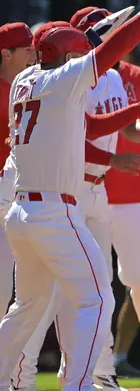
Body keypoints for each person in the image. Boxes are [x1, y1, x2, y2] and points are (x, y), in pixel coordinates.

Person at [0, 1, 140, 390]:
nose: (83, 59)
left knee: (24, 308)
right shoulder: (63, 80)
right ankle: (79, 384)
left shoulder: (25, 82)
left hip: (23, 212)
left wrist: (135, 109)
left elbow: (90, 124)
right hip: (54, 212)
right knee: (97, 299)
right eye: (76, 53)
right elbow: (106, 52)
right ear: (65, 56)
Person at [0, 22, 35, 315]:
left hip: (28, 194)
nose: (33, 54)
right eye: (26, 49)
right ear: (6, 53)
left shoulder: (36, 84)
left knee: (28, 289)